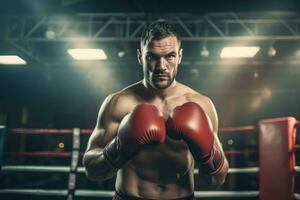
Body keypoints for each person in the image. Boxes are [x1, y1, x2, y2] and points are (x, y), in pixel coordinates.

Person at [83, 20, 229, 200]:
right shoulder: (118, 103)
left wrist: (208, 156)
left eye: (170, 56)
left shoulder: (201, 104)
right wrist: (120, 148)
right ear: (140, 57)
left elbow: (216, 179)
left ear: (180, 57)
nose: (161, 66)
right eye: (151, 57)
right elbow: (92, 170)